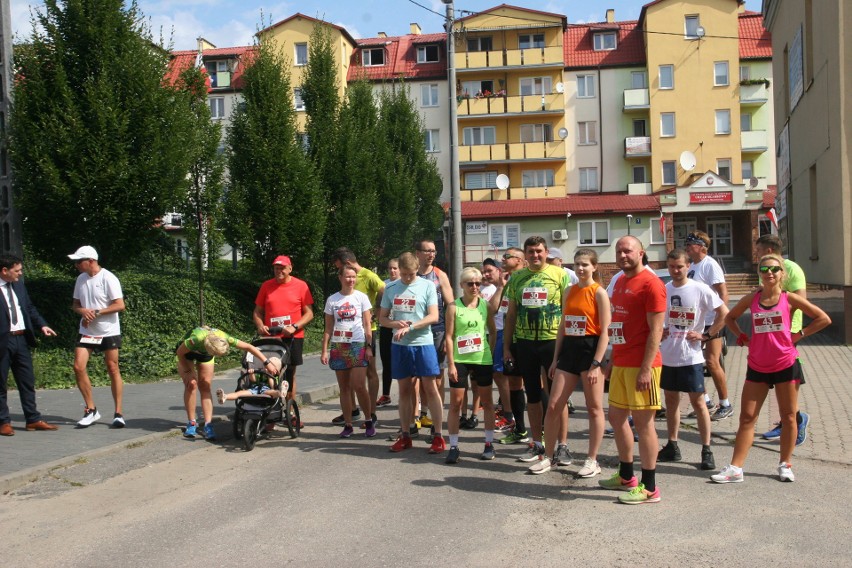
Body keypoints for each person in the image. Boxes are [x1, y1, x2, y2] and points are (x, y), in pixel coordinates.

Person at [712, 254, 830, 483]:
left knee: (788, 416)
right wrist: (743, 338)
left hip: (786, 363)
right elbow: (730, 318)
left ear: (781, 273)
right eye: (764, 269)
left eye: (774, 269)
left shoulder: (790, 298)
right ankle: (735, 469)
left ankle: (785, 464)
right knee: (747, 418)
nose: (769, 273)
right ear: (759, 272)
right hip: (757, 364)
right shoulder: (752, 298)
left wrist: (798, 335)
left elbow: (823, 318)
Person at [530, 249, 610, 477]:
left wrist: (597, 363)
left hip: (590, 349)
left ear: (594, 266)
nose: (581, 268)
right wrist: (555, 359)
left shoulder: (599, 293)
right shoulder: (569, 291)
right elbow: (563, 326)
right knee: (554, 405)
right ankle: (548, 456)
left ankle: (592, 459)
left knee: (594, 408)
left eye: (585, 264)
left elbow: (605, 331)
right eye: (577, 264)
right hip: (569, 351)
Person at [598, 236, 666, 504]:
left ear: (641, 253)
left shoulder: (652, 284)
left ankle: (650, 487)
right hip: (622, 361)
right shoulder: (621, 282)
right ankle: (627, 475)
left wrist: (646, 368)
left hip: (643, 365)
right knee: (616, 419)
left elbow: (656, 331)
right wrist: (612, 357)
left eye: (628, 250)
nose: (623, 255)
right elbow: (618, 325)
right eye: (619, 251)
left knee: (644, 425)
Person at [657, 249, 728, 471]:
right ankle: (672, 445)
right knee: (671, 401)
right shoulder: (664, 289)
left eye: (679, 266)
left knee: (698, 403)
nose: (675, 270)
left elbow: (724, 313)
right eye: (671, 267)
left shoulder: (700, 288)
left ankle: (706, 450)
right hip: (668, 355)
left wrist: (707, 335)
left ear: (688, 266)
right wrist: (661, 330)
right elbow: (657, 316)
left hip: (691, 357)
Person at [502, 236, 569, 464]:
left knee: (557, 397)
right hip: (525, 342)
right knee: (532, 394)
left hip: (553, 341)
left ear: (546, 251)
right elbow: (510, 315)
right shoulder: (517, 278)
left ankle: (562, 445)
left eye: (539, 251)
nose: (535, 255)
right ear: (525, 254)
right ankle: (537, 443)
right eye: (530, 252)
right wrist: (507, 348)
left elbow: (567, 311)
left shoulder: (560, 275)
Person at [379, 252, 444, 454]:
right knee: (405, 390)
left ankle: (438, 436)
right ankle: (406, 434)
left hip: (423, 343)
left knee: (430, 387)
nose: (407, 278)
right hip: (400, 346)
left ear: (417, 270)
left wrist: (412, 326)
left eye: (411, 274)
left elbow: (433, 316)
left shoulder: (427, 286)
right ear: (399, 269)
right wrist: (393, 323)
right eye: (404, 274)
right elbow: (382, 319)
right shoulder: (390, 288)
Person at [755, 235, 810, 445]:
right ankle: (787, 420)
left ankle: (796, 420)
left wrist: (790, 324)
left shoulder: (792, 268)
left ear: (769, 249)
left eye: (759, 250)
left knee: (787, 375)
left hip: (789, 330)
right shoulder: (764, 268)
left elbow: (800, 300)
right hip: (768, 330)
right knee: (775, 377)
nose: (757, 254)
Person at [177, 326, 279, 439]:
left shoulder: (223, 337)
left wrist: (266, 362)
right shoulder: (196, 338)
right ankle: (191, 423)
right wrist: (187, 370)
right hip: (186, 354)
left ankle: (208, 424)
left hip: (205, 355)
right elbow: (180, 353)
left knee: (205, 386)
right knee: (192, 384)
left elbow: (249, 347)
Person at [0, 254, 59, 436]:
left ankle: (32, 419)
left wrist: (42, 324)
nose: (20, 274)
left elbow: (29, 308)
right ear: (4, 270)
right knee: (0, 383)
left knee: (27, 381)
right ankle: (3, 421)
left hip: (21, 339)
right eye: (17, 271)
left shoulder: (18, 285)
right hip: (3, 340)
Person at [68, 246, 126, 428]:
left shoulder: (109, 278)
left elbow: (119, 305)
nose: (76, 265)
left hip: (108, 331)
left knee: (112, 368)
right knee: (78, 367)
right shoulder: (80, 279)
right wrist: (83, 311)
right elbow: (75, 305)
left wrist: (97, 312)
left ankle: (118, 413)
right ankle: (91, 409)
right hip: (87, 331)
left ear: (91, 261)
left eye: (79, 261)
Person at [444, 267, 497, 463]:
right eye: (470, 283)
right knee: (456, 404)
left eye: (477, 283)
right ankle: (454, 446)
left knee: (487, 402)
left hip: (482, 359)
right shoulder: (453, 307)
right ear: (462, 286)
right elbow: (449, 337)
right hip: (460, 360)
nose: (474, 287)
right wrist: (451, 363)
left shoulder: (486, 305)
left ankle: (489, 444)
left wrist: (489, 352)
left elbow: (493, 331)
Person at [330, 248, 384, 430]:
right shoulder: (338, 291)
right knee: (347, 378)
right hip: (344, 336)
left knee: (369, 373)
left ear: (347, 263)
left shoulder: (368, 275)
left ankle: (372, 413)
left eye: (339, 267)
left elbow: (383, 288)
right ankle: (352, 411)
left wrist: (377, 311)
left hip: (366, 331)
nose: (339, 272)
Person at [321, 265, 375, 438]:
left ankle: (368, 420)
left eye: (354, 277)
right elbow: (328, 328)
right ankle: (348, 424)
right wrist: (324, 350)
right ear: (340, 277)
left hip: (357, 344)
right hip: (339, 346)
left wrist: (368, 346)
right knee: (344, 388)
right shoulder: (332, 300)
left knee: (359, 385)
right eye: (348, 277)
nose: (351, 280)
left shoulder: (362, 298)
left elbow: (368, 325)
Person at [253, 255, 314, 408]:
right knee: (269, 373)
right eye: (276, 268)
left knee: (289, 374)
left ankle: (290, 410)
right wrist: (260, 324)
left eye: (282, 268)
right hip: (271, 337)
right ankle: (271, 409)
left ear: (290, 269)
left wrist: (294, 326)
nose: (279, 271)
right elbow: (257, 312)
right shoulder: (266, 286)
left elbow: (309, 313)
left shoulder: (301, 286)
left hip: (292, 337)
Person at [685, 231, 732, 420]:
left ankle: (725, 404)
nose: (687, 246)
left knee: (712, 362)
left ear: (702, 247)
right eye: (686, 243)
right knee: (694, 362)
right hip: (697, 322)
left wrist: (719, 321)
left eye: (691, 244)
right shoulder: (692, 266)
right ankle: (705, 401)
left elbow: (723, 293)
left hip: (713, 321)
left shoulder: (710, 264)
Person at [414, 240, 453, 436]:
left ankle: (438, 418)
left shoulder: (439, 275)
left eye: (433, 251)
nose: (430, 254)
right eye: (426, 251)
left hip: (436, 330)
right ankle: (421, 414)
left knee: (437, 376)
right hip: (415, 331)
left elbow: (451, 305)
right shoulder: (411, 274)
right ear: (417, 253)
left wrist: (449, 336)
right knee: (420, 376)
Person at [497, 247, 528, 443]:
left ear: (519, 260)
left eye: (507, 256)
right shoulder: (508, 282)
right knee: (514, 384)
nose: (503, 258)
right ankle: (520, 429)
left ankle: (542, 431)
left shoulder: (526, 279)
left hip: (528, 340)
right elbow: (503, 312)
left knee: (536, 385)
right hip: (511, 340)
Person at [377, 258, 400, 408]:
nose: (392, 271)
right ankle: (386, 394)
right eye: (390, 268)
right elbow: (378, 306)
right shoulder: (384, 286)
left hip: (401, 327)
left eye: (395, 268)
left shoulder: (404, 285)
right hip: (386, 327)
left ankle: (413, 396)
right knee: (387, 362)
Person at [216, 356, 286, 403]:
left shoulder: (275, 377)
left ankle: (280, 393)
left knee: (273, 392)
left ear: (276, 371)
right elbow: (253, 381)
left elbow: (272, 386)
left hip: (267, 390)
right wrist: (251, 374)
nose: (266, 369)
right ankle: (225, 397)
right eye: (266, 367)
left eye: (269, 368)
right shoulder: (261, 373)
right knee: (239, 393)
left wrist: (270, 376)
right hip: (254, 389)